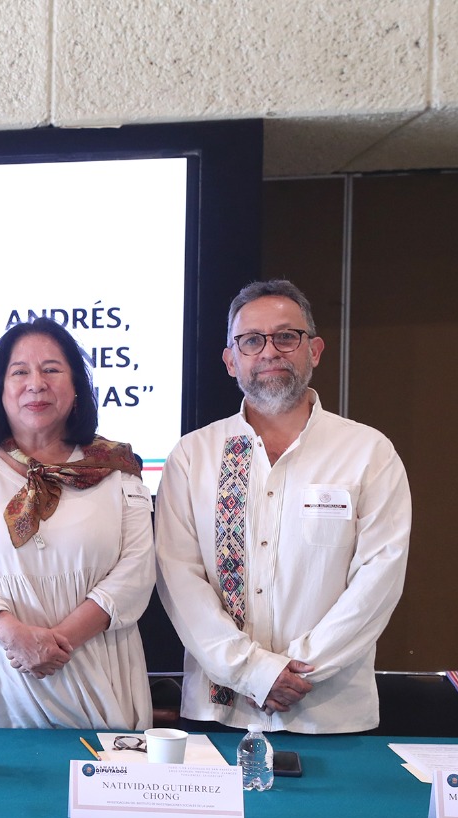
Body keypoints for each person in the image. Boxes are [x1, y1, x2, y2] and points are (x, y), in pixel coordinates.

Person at [155, 279, 411, 733]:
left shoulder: (368, 452)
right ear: (230, 360)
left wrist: (298, 671)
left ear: (314, 350)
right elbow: (179, 579)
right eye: (252, 341)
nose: (270, 351)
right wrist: (251, 672)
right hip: (221, 710)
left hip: (328, 713)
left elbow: (379, 579)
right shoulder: (193, 456)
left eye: (286, 337)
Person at [0, 318, 155, 730]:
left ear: (76, 387)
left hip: (94, 663)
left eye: (51, 369)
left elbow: (138, 568)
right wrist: (14, 635)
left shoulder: (117, 466)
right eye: (20, 372)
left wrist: (58, 643)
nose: (36, 384)